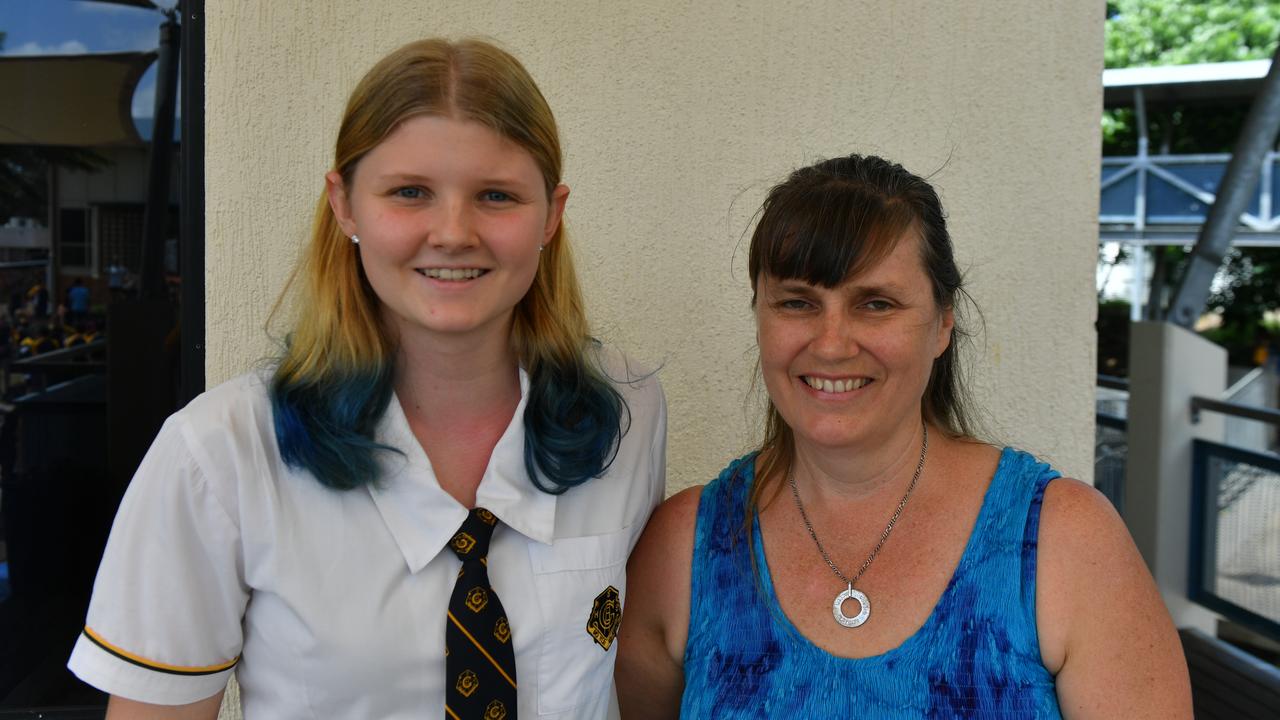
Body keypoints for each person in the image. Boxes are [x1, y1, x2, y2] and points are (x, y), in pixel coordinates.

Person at [68, 38, 666, 718]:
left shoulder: (628, 408)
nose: (452, 232)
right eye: (410, 192)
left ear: (551, 216)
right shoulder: (217, 454)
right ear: (345, 204)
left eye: (496, 195)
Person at [617, 154, 1190, 718]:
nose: (832, 343)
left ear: (943, 324)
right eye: (797, 302)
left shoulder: (1064, 540)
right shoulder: (682, 549)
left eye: (876, 304)